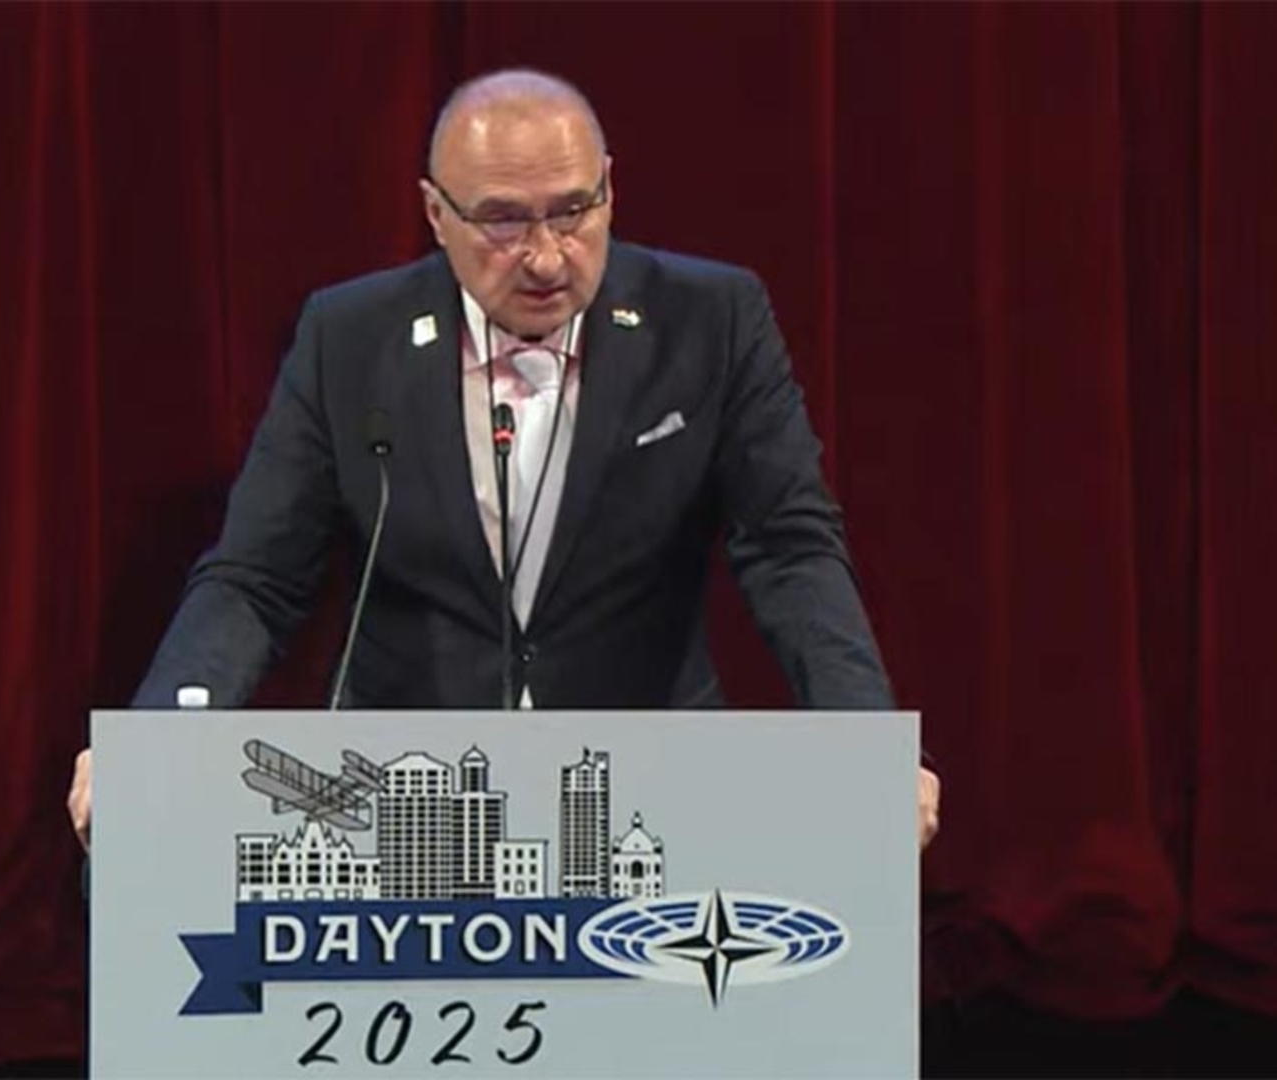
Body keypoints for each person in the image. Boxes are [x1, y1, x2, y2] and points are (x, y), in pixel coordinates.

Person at [68, 69, 940, 850]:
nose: (547, 256)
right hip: (408, 802)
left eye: (574, 210)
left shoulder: (711, 321)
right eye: (503, 221)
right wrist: (161, 738)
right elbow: (256, 578)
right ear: (435, 214)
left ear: (611, 189)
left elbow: (789, 548)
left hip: (646, 789)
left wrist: (864, 742)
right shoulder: (349, 338)